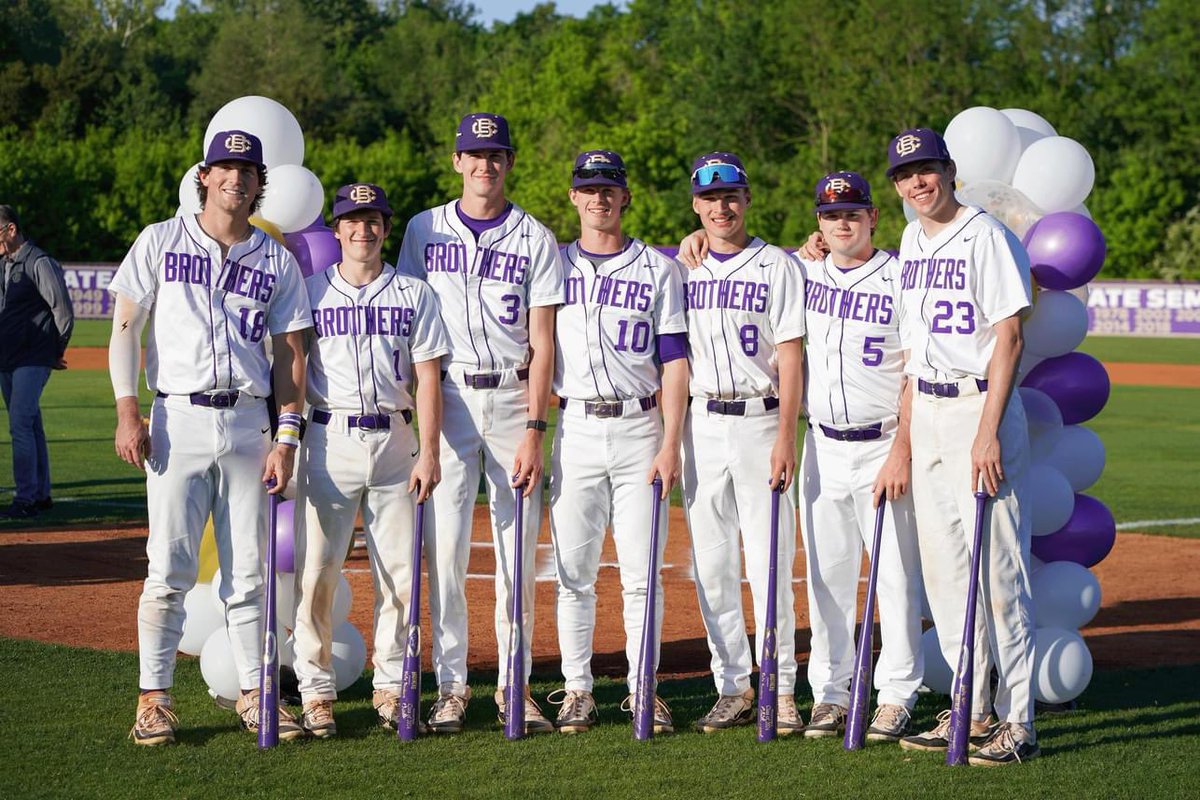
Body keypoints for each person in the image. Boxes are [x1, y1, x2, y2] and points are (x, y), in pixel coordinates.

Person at [110, 130, 313, 745]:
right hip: (179, 418)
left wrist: (286, 436)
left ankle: (256, 693)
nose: (236, 179)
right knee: (167, 569)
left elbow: (292, 354)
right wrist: (127, 412)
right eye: (224, 168)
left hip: (250, 423)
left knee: (249, 572)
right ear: (204, 175)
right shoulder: (161, 239)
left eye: (247, 170)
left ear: (259, 183)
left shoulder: (274, 258)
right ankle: (154, 697)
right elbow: (125, 326)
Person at [397, 113, 564, 734]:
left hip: (513, 400)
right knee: (445, 553)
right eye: (475, 154)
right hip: (450, 399)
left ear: (509, 162)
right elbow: (410, 324)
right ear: (456, 160)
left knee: (516, 555)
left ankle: (513, 687)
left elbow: (543, 342)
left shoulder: (535, 237)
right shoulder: (422, 229)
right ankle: (451, 686)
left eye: (495, 155)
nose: (484, 164)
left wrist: (535, 427)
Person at [884, 128, 1038, 765]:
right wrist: (904, 437)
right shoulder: (910, 238)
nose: (918, 182)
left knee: (1000, 573)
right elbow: (912, 356)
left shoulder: (986, 235)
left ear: (950, 171)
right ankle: (972, 707)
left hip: (981, 408)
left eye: (927, 169)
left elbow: (1009, 339)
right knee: (946, 575)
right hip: (928, 411)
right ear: (896, 185)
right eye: (906, 174)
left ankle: (1019, 722)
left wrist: (986, 432)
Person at [291, 183, 449, 738]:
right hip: (327, 439)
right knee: (317, 573)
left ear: (386, 227)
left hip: (396, 440)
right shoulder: (309, 292)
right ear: (335, 230)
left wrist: (429, 451)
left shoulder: (414, 293)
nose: (364, 229)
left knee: (400, 576)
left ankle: (391, 686)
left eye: (374, 219)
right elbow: (286, 368)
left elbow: (428, 376)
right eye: (352, 221)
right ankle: (315, 692)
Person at [547, 150, 688, 735]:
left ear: (625, 196)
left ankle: (643, 687)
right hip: (574, 426)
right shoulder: (550, 264)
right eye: (589, 188)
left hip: (639, 428)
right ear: (575, 197)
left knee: (640, 573)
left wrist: (670, 442)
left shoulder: (659, 268)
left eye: (609, 187)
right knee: (573, 572)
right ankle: (577, 688)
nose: (599, 197)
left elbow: (675, 361)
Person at [675, 152, 806, 734]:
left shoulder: (777, 265)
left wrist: (785, 437)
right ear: (696, 206)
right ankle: (731, 685)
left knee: (769, 561)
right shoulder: (680, 267)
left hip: (761, 421)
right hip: (701, 426)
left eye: (731, 196)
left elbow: (791, 357)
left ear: (747, 200)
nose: (721, 207)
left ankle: (780, 688)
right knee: (713, 566)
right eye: (709, 198)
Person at [793, 172, 924, 742]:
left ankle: (897, 694)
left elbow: (918, 370)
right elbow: (715, 256)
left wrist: (903, 450)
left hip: (882, 444)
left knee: (893, 580)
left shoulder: (900, 277)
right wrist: (692, 243)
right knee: (827, 577)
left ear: (873, 217)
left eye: (852, 212)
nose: (841, 221)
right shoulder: (800, 274)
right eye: (830, 214)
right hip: (820, 445)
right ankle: (831, 692)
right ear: (818, 223)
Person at [0, 205, 74, 519]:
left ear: (12, 230)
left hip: (32, 356)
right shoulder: (4, 263)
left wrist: (55, 351)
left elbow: (63, 311)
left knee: (19, 424)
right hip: (7, 356)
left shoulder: (39, 262)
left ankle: (25, 497)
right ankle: (41, 494)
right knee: (31, 425)